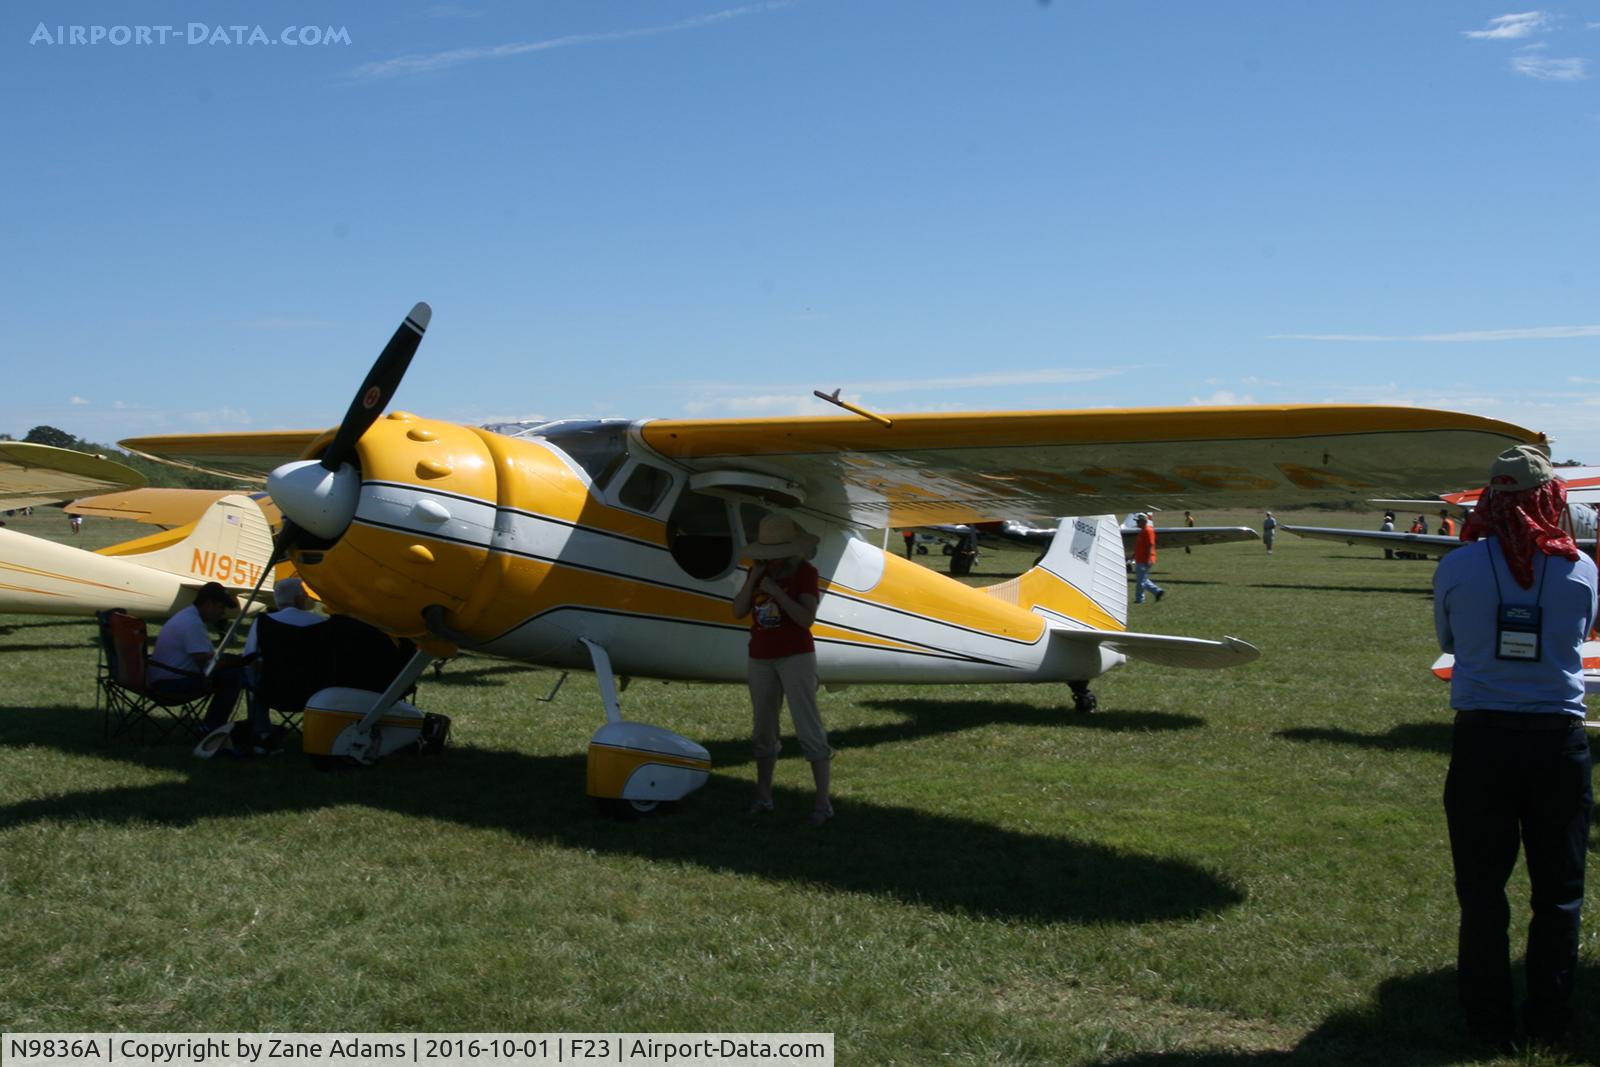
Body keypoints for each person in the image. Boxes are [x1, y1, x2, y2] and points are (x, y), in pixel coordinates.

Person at [1434, 445, 1597, 1049]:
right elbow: (1582, 633)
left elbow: (1448, 639)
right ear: (1550, 502)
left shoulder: (1457, 566)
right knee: (1559, 893)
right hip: (1558, 742)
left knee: (1481, 893)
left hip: (1482, 741)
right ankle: (1551, 1018)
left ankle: (1486, 1019)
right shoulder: (1582, 568)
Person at [733, 515, 833, 826]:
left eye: (774, 555)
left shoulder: (805, 573)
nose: (768, 560)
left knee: (808, 727)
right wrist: (754, 581)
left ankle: (822, 803)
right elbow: (738, 611)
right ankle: (764, 797)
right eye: (764, 555)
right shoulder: (758, 571)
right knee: (763, 729)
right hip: (760, 656)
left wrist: (776, 592)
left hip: (796, 656)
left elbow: (805, 619)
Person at [147, 581, 271, 748]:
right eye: (221, 607)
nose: (223, 612)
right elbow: (206, 662)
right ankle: (213, 728)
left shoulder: (188, 617)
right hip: (171, 683)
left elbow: (206, 660)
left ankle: (226, 726)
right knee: (233, 677)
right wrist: (235, 662)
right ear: (208, 603)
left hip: (165, 677)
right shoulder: (192, 623)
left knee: (232, 674)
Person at [1132, 514, 1164, 603]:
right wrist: (1134, 554)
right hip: (1140, 559)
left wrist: (1148, 558)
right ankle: (1157, 591)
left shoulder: (1148, 530)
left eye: (1138, 521)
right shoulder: (1142, 531)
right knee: (1142, 579)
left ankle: (1140, 599)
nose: (1136, 523)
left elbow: (1150, 544)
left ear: (1143, 521)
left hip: (1144, 559)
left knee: (1140, 581)